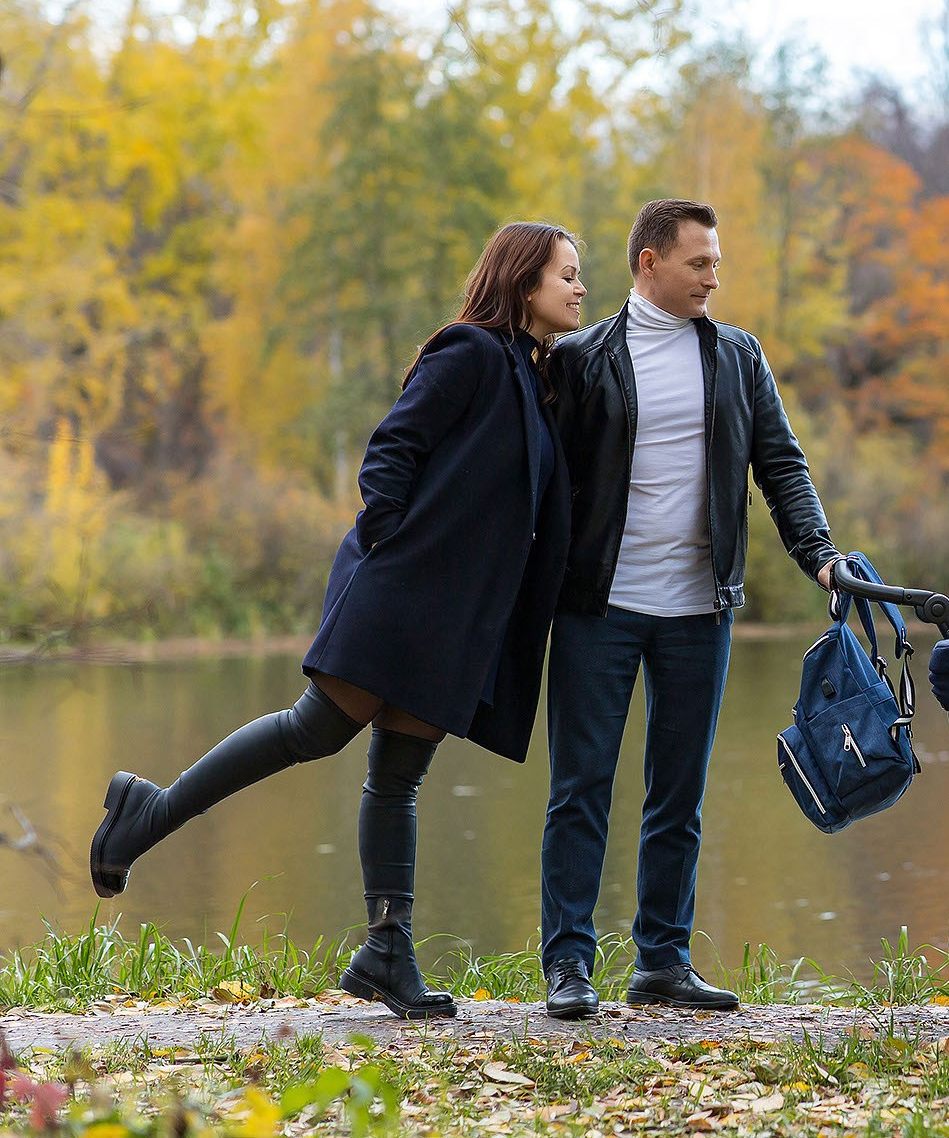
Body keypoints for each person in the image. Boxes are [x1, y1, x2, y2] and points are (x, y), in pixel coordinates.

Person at [89, 222, 586, 1020]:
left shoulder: (537, 378)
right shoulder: (469, 352)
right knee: (314, 728)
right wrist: (399, 553)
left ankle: (387, 949)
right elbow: (390, 450)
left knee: (399, 776)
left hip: (458, 619)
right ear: (524, 281)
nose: (578, 287)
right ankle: (144, 813)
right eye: (566, 273)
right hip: (406, 594)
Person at [538, 198, 841, 1021]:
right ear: (649, 263)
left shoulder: (739, 357)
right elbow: (539, 479)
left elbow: (781, 464)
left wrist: (820, 554)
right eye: (699, 261)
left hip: (699, 610)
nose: (714, 275)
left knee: (679, 791)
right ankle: (568, 964)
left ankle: (662, 960)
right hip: (596, 607)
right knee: (581, 785)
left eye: (717, 262)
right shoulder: (580, 358)